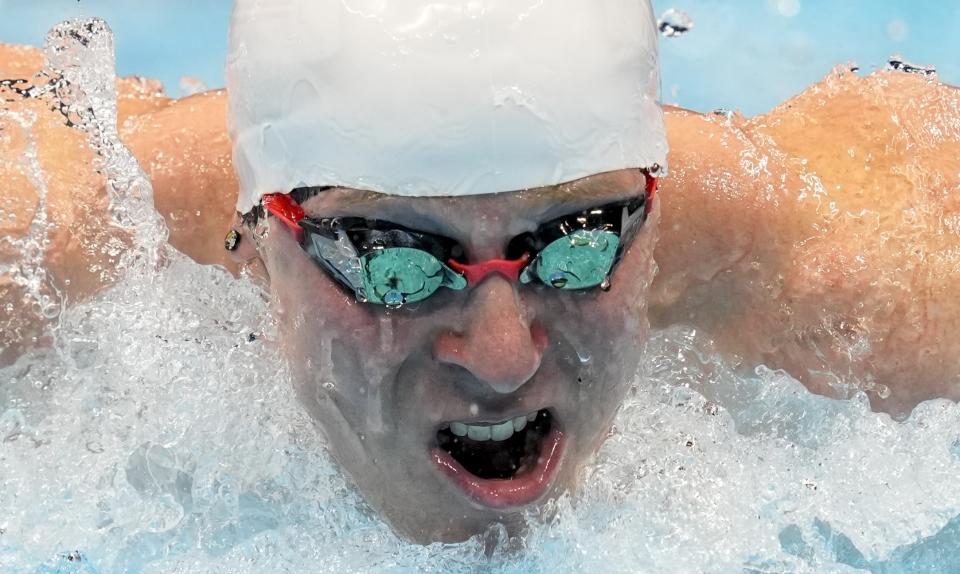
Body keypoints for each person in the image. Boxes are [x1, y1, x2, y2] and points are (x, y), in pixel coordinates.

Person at [2, 1, 959, 542]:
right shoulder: (54, 242)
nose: (501, 359)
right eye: (396, 267)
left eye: (576, 243)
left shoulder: (856, 277)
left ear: (653, 214)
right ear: (259, 240)